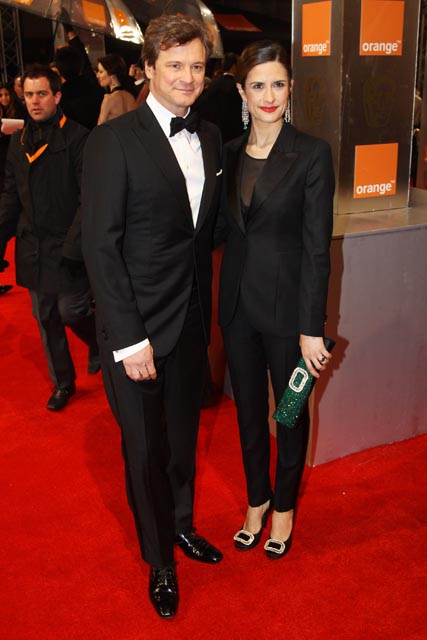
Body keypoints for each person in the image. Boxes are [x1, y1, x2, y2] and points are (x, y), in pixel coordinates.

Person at [81, 15, 223, 619]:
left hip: (190, 320)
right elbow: (100, 246)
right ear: (147, 69)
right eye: (175, 66)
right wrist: (128, 338)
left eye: (197, 66)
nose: (188, 77)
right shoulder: (113, 141)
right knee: (144, 451)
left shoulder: (210, 136)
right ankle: (159, 559)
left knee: (183, 439)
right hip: (135, 330)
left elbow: (202, 234)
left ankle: (182, 524)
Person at [217, 41, 335, 559]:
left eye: (278, 84)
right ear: (242, 92)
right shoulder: (226, 154)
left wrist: (312, 327)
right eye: (258, 85)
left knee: (287, 413)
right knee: (247, 413)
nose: (269, 96)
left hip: (289, 317)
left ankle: (284, 506)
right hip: (238, 311)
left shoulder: (311, 153)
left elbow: (316, 249)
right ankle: (257, 499)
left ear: (290, 89)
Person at [0, 65, 100, 410]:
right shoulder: (19, 142)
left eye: (42, 94)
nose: (34, 101)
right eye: (29, 95)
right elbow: (10, 197)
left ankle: (98, 341)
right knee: (45, 317)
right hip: (33, 246)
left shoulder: (79, 138)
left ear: (57, 96)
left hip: (69, 244)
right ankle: (63, 383)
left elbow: (89, 199)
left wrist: (74, 245)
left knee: (72, 311)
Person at [194, 52, 243, 142]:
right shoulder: (236, 86)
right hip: (232, 134)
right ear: (234, 66)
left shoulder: (214, 82)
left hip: (212, 133)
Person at [54, 46, 104, 130]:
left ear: (59, 71)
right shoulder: (96, 89)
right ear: (80, 66)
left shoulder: (59, 97)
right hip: (97, 135)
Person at [96, 54, 136, 124]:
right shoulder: (131, 97)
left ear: (112, 75)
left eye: (101, 72)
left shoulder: (108, 99)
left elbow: (100, 128)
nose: (97, 75)